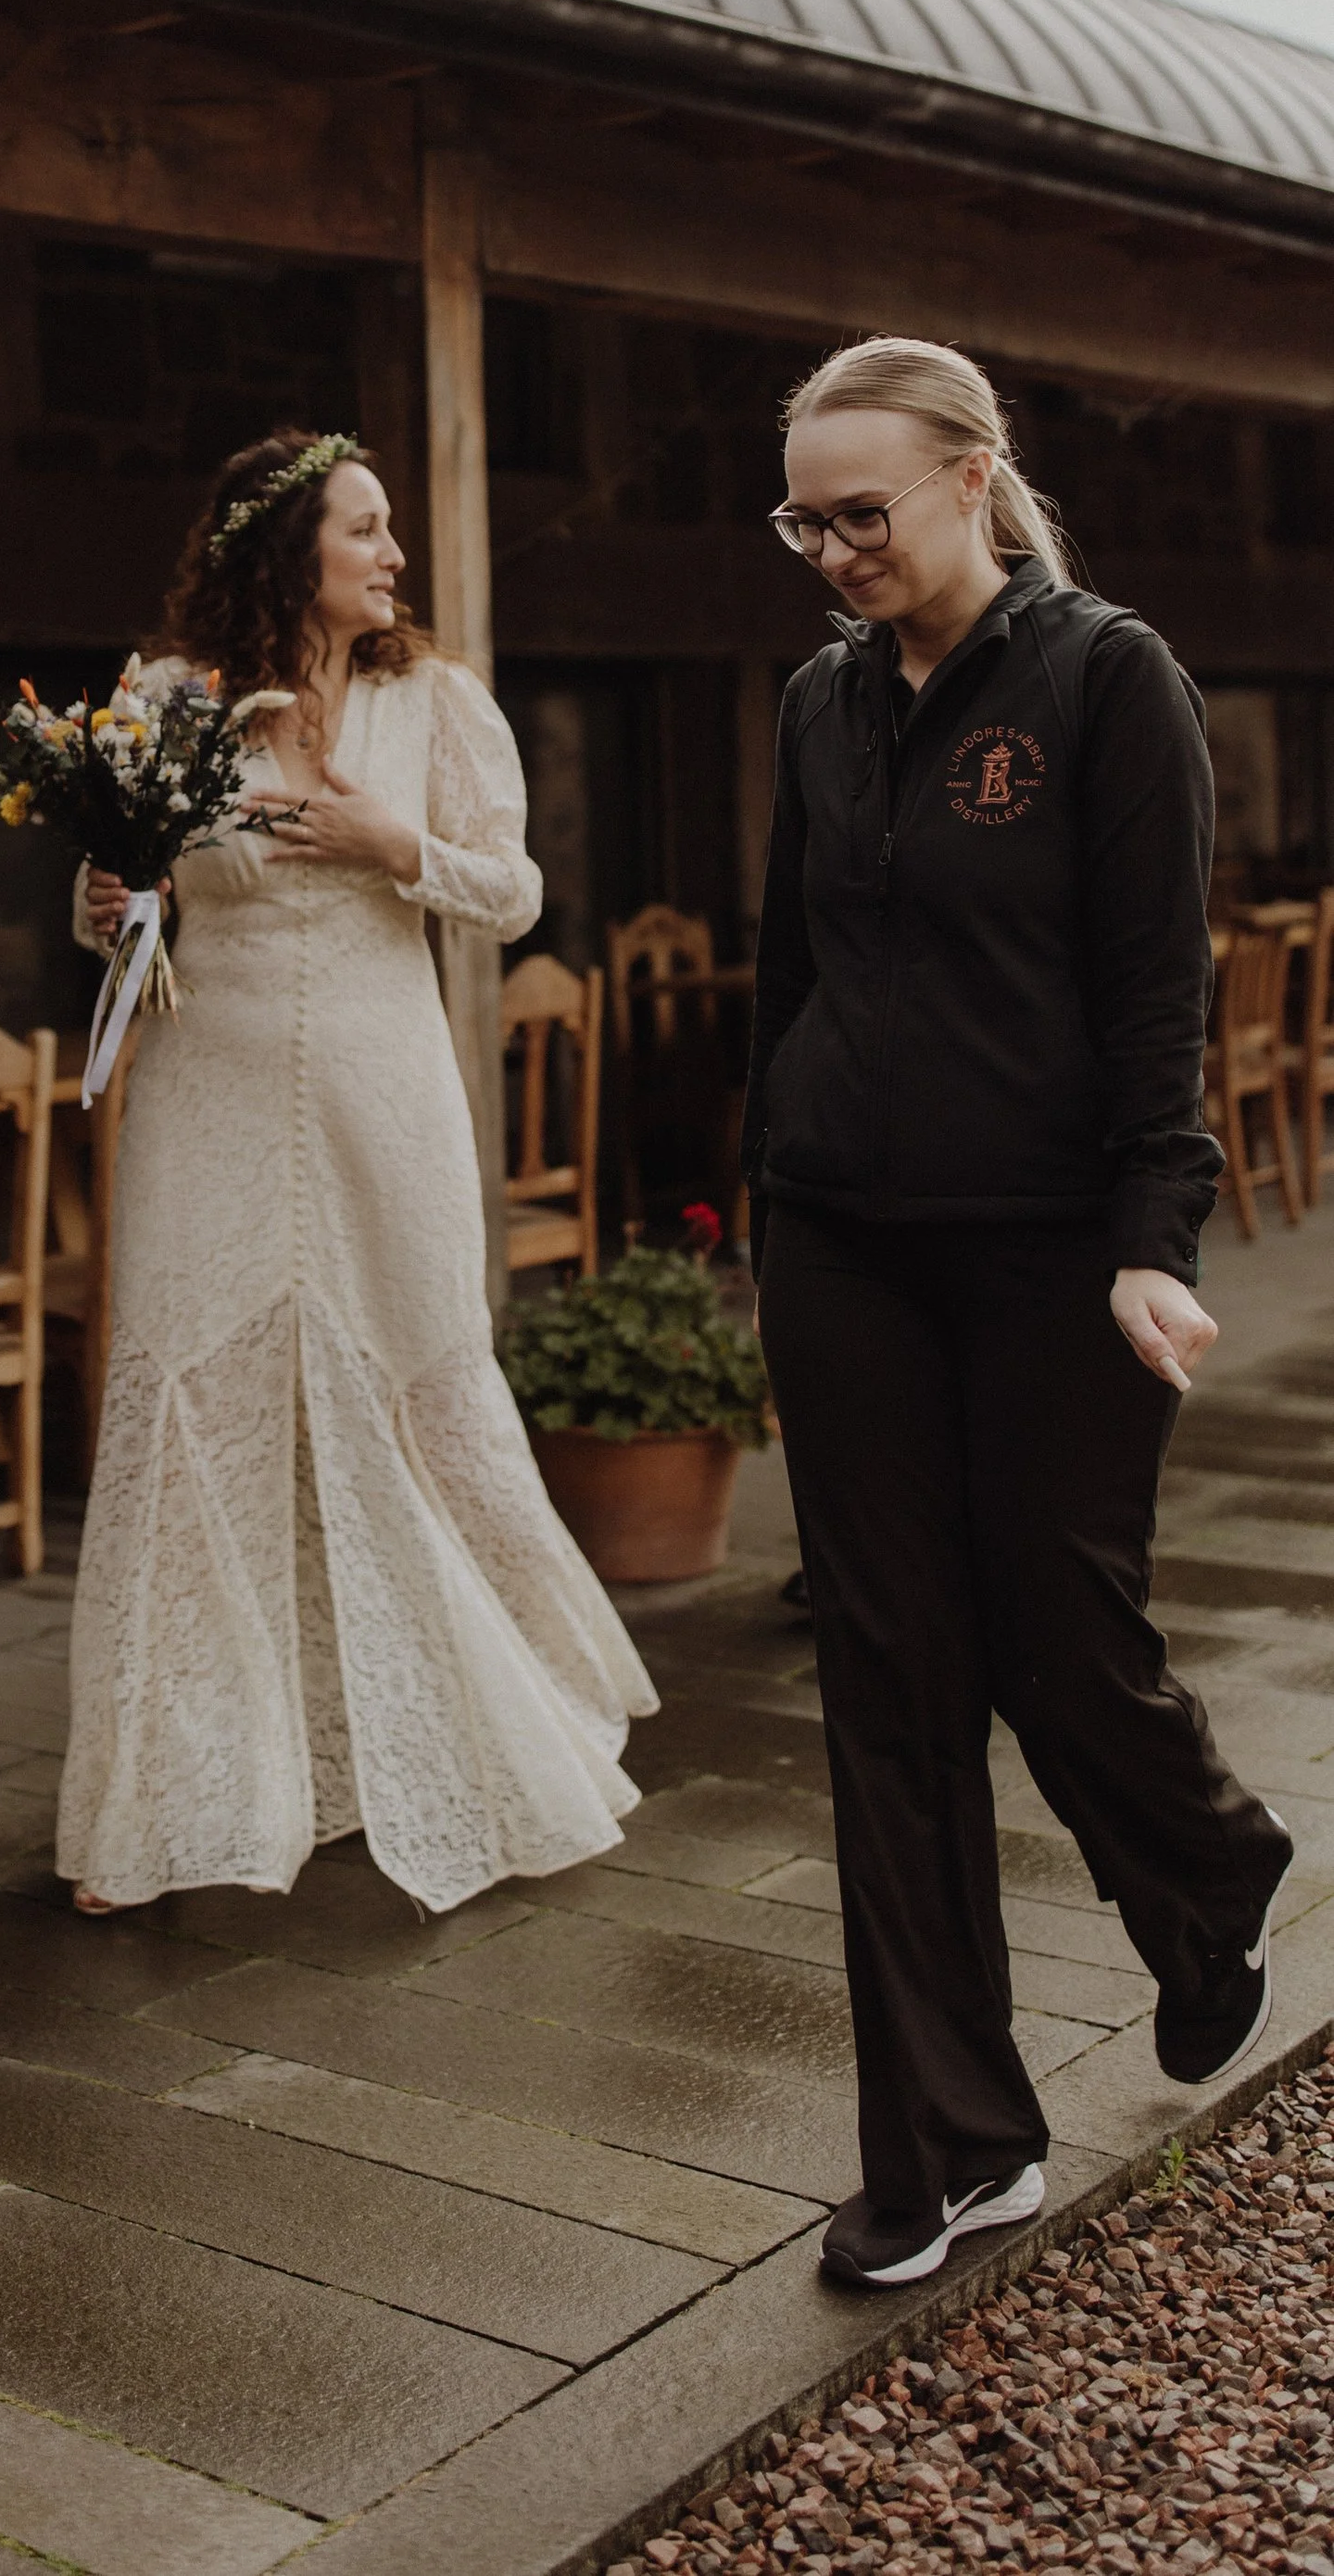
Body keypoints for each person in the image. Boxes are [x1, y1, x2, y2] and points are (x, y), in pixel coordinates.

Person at [747, 335, 1290, 2291]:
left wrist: (1155, 1233)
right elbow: (789, 973)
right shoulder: (818, 702)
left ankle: (1206, 1863)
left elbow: (1156, 988)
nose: (832, 553)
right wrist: (763, 1195)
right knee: (887, 1688)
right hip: (843, 1246)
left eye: (861, 513)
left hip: (1054, 1249)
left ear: (971, 480)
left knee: (1060, 1637)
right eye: (801, 520)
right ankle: (952, 2148)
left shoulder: (1104, 679)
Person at [57, 426, 654, 1917]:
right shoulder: (168, 697)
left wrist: (398, 841)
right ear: (287, 551)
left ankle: (482, 1729)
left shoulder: (432, 699)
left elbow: (513, 892)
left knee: (414, 1379)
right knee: (195, 1394)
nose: (394, 554)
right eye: (365, 528)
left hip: (385, 1093)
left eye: (389, 528)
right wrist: (105, 897)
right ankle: (165, 1805)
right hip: (208, 1092)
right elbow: (124, 908)